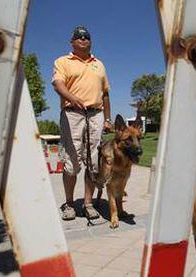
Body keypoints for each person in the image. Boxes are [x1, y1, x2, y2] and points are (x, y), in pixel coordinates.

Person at [52, 26, 112, 220]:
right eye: (79, 37)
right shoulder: (63, 61)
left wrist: (108, 119)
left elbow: (105, 94)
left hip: (96, 115)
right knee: (72, 161)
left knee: (93, 162)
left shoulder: (99, 64)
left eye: (87, 37)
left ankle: (88, 203)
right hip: (72, 114)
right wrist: (71, 97)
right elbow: (58, 83)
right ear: (72, 41)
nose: (83, 39)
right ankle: (69, 204)